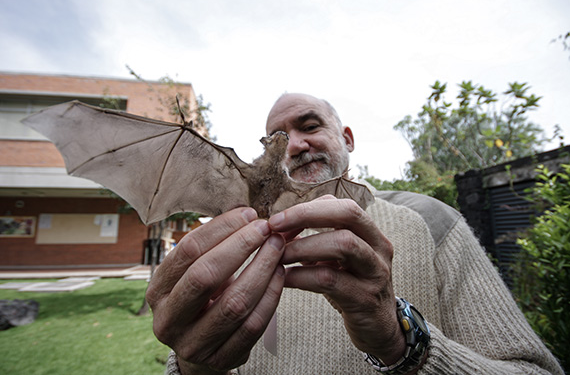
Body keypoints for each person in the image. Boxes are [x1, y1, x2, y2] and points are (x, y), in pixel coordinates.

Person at [147, 93, 563, 374]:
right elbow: (198, 354)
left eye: (309, 125)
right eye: (277, 138)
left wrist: (405, 347)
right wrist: (190, 366)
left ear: (346, 138)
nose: (294, 145)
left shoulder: (430, 220)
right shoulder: (238, 240)